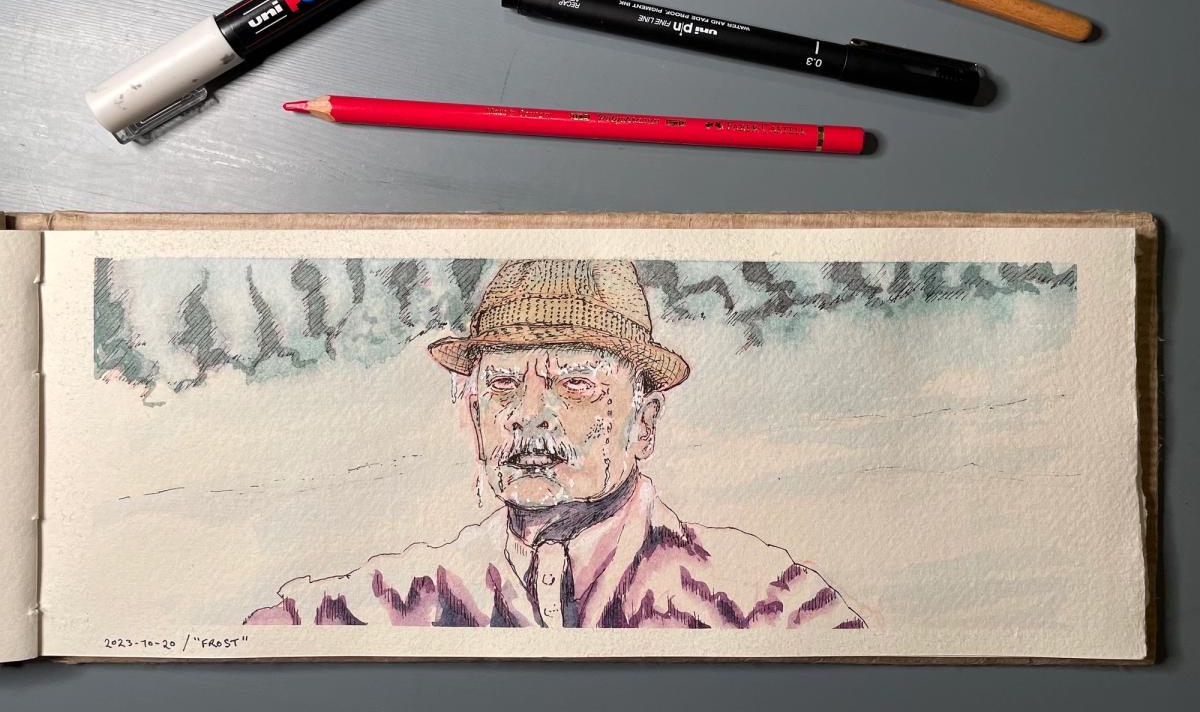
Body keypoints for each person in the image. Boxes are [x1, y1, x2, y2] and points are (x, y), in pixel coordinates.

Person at [246, 259, 863, 629]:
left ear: (645, 425)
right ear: (473, 411)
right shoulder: (412, 594)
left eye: (575, 385)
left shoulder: (766, 603)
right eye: (503, 385)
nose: (528, 416)